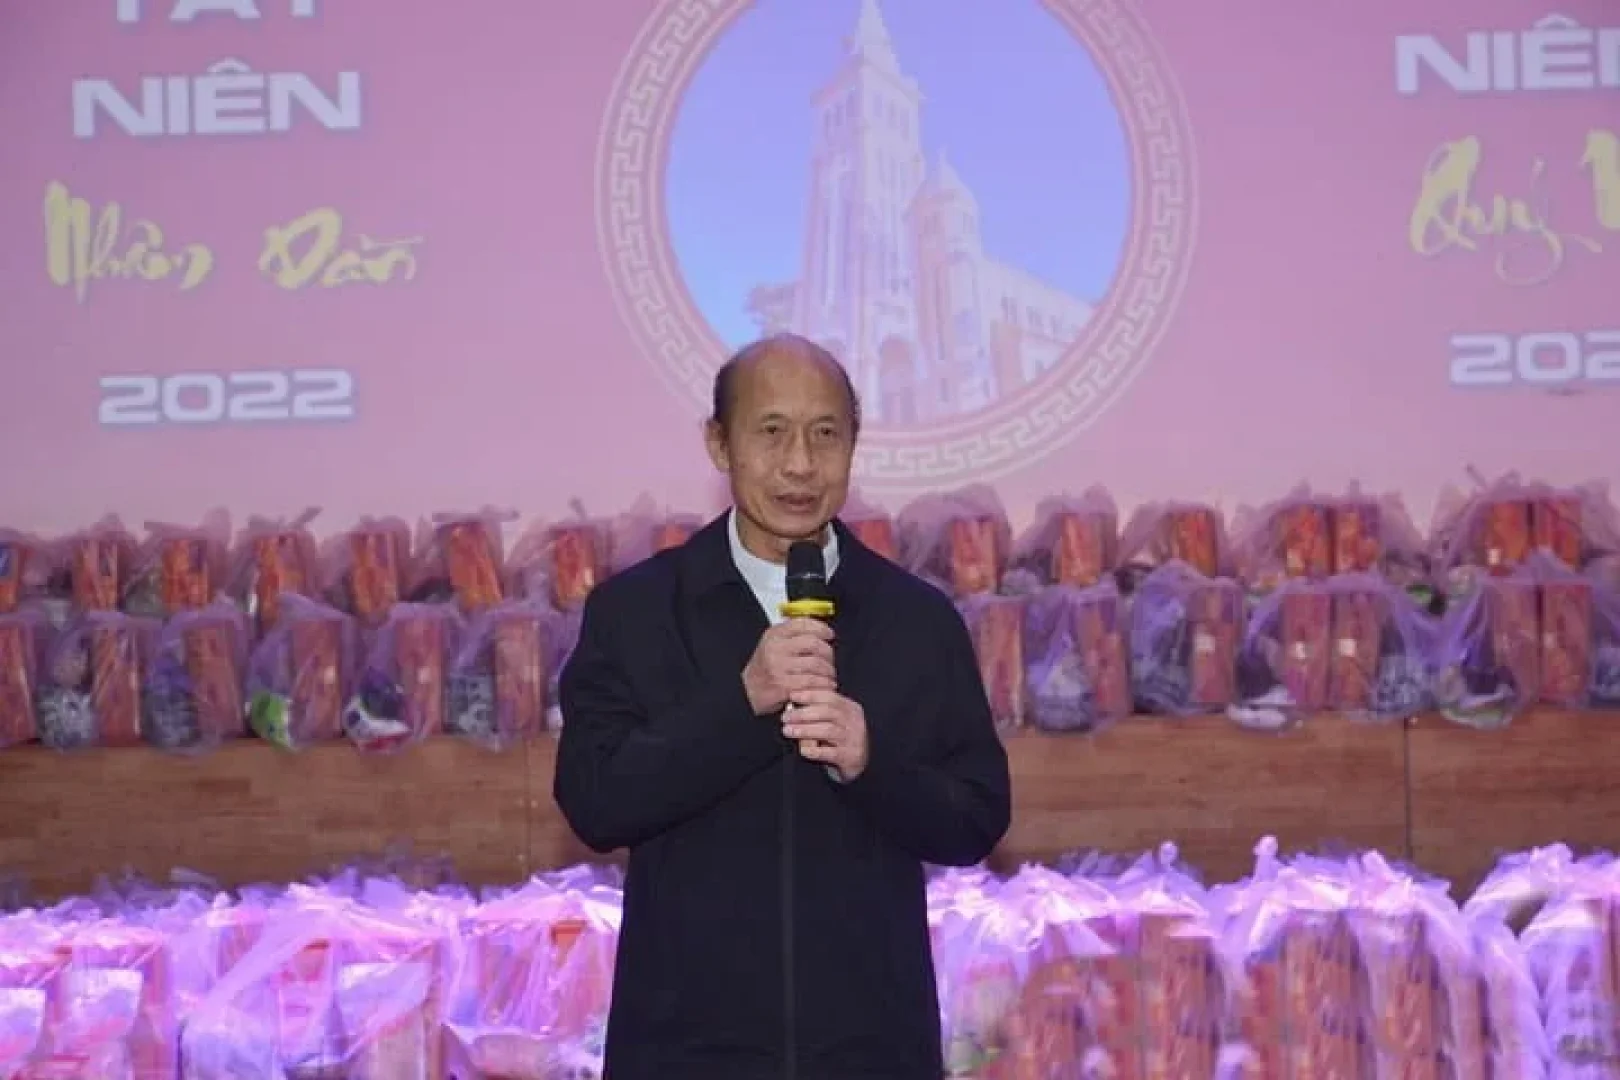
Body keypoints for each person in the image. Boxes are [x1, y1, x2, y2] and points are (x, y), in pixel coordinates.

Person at [553, 333, 1011, 1080]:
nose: (800, 464)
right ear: (719, 443)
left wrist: (873, 765)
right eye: (771, 432)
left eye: (825, 434)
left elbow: (977, 818)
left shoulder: (915, 619)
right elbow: (595, 802)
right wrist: (743, 704)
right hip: (684, 1053)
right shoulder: (637, 611)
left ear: (853, 446)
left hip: (872, 1051)